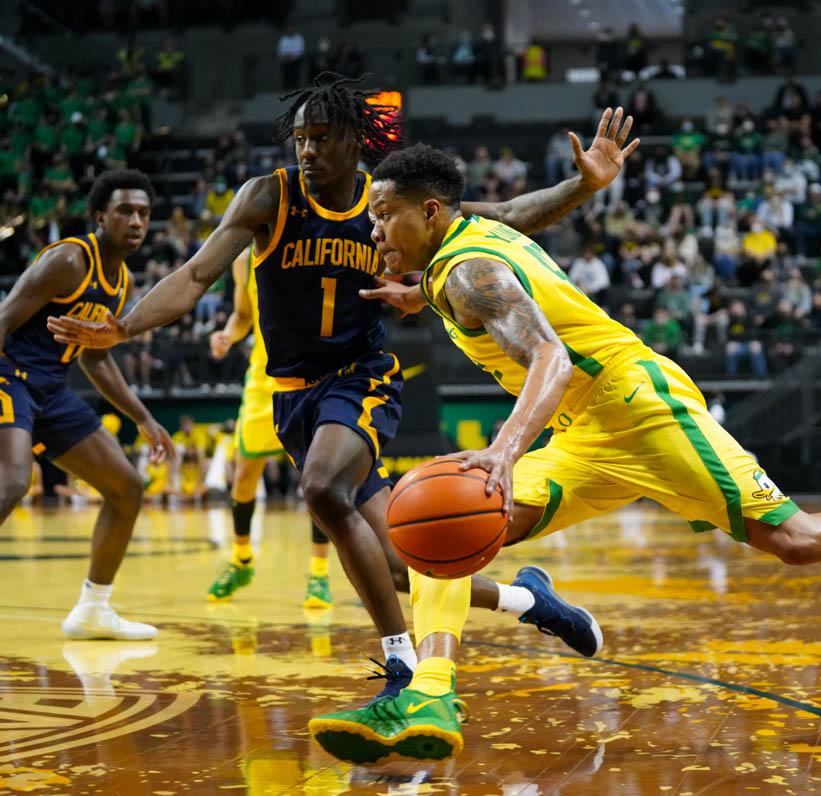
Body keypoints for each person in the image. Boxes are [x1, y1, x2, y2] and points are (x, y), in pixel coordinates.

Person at [333, 144, 821, 764]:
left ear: (429, 212)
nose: (374, 229)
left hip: (643, 408)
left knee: (794, 539)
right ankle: (432, 689)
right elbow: (517, 212)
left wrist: (501, 449)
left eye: (383, 214)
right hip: (587, 434)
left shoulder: (469, 272)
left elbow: (551, 360)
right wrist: (581, 188)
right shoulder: (459, 249)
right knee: (439, 541)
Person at [49, 76, 639, 703]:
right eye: (299, 138)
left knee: (321, 487)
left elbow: (512, 216)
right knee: (398, 564)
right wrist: (124, 326)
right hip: (292, 396)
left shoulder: (388, 203)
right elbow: (195, 275)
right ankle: (531, 601)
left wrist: (585, 184)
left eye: (321, 138)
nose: (306, 150)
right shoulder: (266, 198)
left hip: (361, 377)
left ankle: (400, 663)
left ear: (354, 141)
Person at [0, 169, 175, 640]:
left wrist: (143, 417)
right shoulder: (69, 261)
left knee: (126, 487)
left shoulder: (121, 285)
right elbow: (3, 319)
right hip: (8, 374)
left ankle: (93, 610)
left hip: (52, 390)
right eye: (124, 211)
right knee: (12, 481)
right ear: (101, 216)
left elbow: (96, 359)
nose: (136, 221)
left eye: (143, 213)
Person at [205, 249, 334, 607]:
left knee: (315, 478)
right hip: (264, 379)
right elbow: (244, 315)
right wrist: (228, 335)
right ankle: (241, 560)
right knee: (244, 475)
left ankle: (319, 573)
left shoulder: (314, 247)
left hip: (312, 374)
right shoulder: (243, 260)